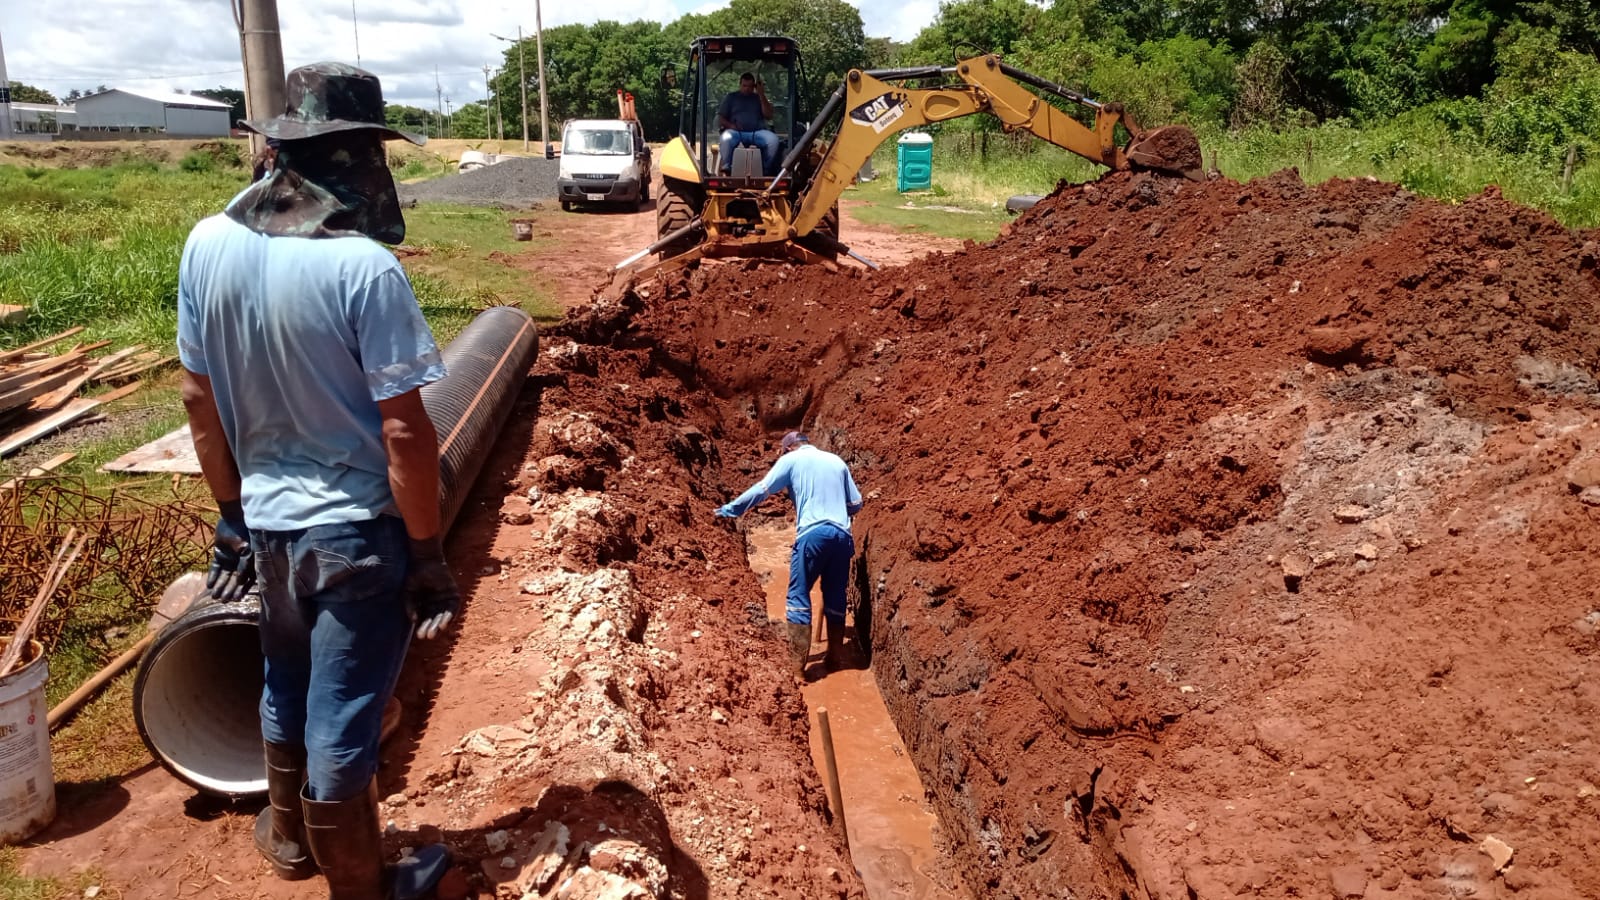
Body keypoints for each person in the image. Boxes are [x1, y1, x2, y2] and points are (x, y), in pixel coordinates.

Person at [177, 62, 457, 900]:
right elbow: (405, 429)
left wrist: (231, 511)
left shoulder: (206, 244)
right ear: (356, 156)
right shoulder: (362, 268)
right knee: (345, 708)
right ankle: (366, 887)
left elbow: (198, 398)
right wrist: (429, 551)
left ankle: (292, 840)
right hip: (355, 531)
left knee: (284, 678)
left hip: (267, 524)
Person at [715, 432, 863, 674]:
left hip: (812, 535)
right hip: (842, 537)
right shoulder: (837, 462)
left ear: (789, 448)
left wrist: (731, 509)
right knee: (835, 593)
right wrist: (835, 505)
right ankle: (835, 658)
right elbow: (856, 504)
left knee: (798, 596)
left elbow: (762, 490)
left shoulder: (790, 460)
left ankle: (798, 668)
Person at [716, 71, 779, 176]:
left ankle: (766, 169)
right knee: (726, 138)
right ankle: (727, 167)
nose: (747, 89)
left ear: (754, 86)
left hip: (758, 132)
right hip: (735, 132)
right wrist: (732, 126)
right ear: (740, 84)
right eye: (744, 86)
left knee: (773, 140)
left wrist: (761, 94)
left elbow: (768, 115)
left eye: (750, 86)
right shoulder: (731, 97)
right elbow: (720, 118)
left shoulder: (759, 98)